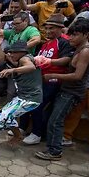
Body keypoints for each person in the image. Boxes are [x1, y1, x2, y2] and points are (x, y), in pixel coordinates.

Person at [35, 19, 89, 161]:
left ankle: (54, 151)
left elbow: (78, 75)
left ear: (85, 35)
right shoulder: (81, 48)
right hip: (67, 89)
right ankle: (52, 148)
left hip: (72, 92)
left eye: (75, 35)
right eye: (71, 35)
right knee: (54, 118)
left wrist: (53, 75)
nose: (71, 38)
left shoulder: (86, 51)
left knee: (55, 121)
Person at [19, 14, 74, 145]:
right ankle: (22, 128)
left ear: (61, 28)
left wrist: (50, 61)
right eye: (47, 28)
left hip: (53, 82)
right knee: (27, 102)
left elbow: (67, 59)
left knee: (37, 105)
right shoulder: (46, 44)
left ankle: (36, 134)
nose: (48, 31)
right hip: (40, 80)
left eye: (52, 28)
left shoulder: (63, 42)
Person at [0, 41, 43, 146]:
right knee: (1, 114)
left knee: (6, 116)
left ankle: (18, 136)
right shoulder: (20, 60)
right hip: (23, 96)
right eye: (10, 52)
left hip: (30, 98)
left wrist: (12, 70)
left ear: (22, 52)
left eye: (14, 52)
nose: (11, 54)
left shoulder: (25, 58)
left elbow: (31, 67)